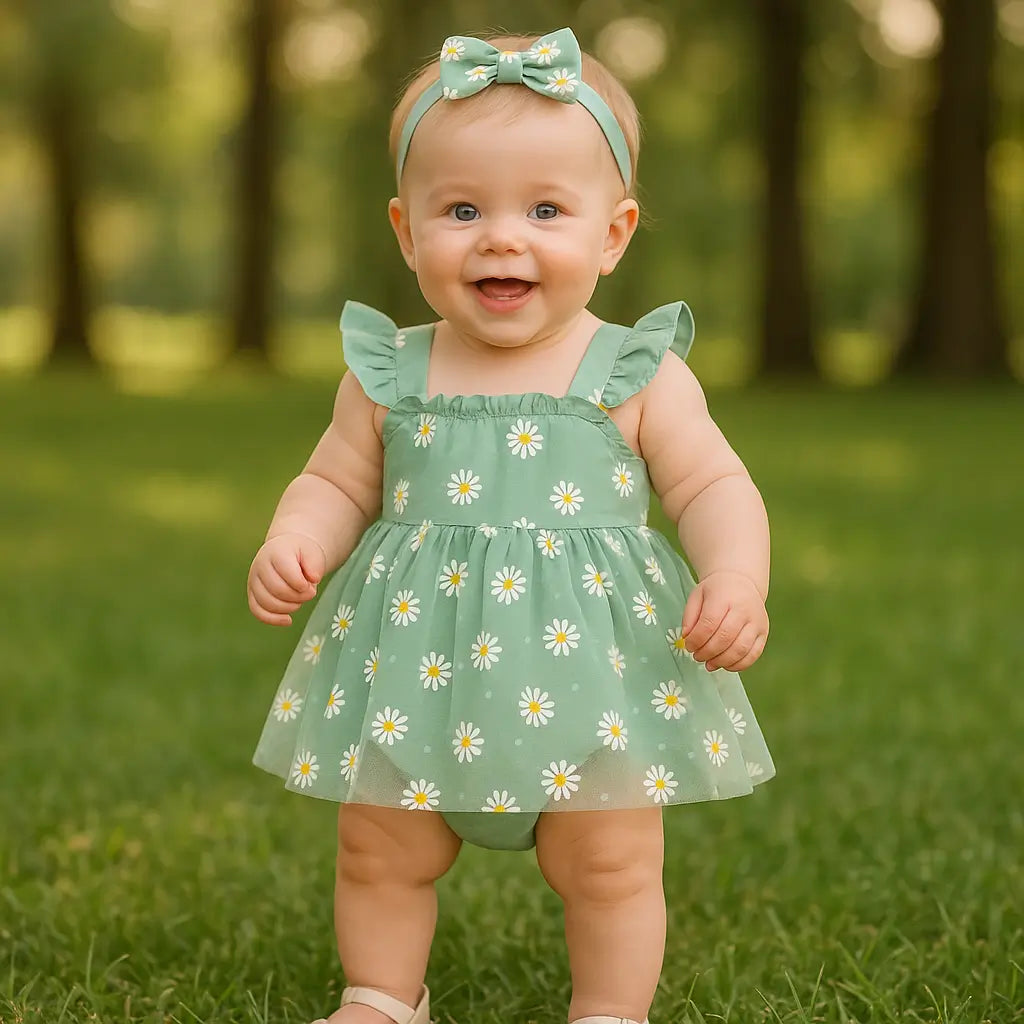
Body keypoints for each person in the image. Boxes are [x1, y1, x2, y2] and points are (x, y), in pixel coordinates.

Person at [248, 27, 774, 1024]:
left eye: (544, 208)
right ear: (406, 231)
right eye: (461, 209)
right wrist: (297, 537)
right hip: (414, 676)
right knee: (377, 848)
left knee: (611, 863)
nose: (500, 236)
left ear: (613, 233)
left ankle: (610, 1010)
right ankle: (379, 995)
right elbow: (334, 479)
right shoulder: (388, 371)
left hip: (596, 680)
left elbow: (712, 485)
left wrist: (735, 577)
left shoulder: (636, 371)